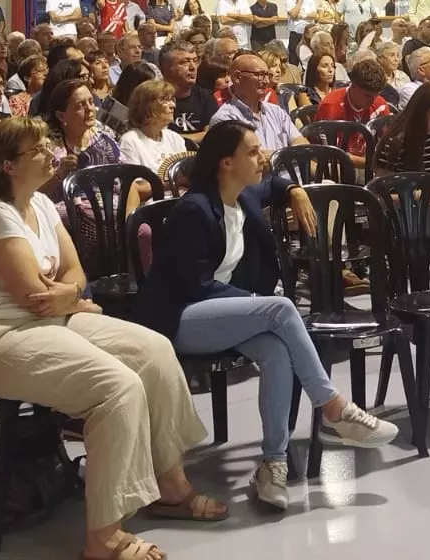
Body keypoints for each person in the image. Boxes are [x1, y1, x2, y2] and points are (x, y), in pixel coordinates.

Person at [0, 118, 223, 557]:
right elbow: (31, 295)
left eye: (47, 143)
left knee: (153, 350)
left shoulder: (42, 204)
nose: (50, 153)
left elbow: (75, 273)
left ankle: (170, 486)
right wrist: (72, 299)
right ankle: (103, 536)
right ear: (8, 165)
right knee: (117, 388)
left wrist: (70, 296)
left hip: (52, 318)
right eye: (38, 148)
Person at [132, 121, 395, 511]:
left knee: (275, 349)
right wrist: (254, 302)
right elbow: (195, 287)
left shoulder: (243, 195)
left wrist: (294, 191)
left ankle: (273, 462)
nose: (263, 158)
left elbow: (273, 183)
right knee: (280, 308)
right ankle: (333, 407)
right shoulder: (194, 210)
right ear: (226, 162)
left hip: (218, 312)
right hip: (177, 318)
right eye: (253, 152)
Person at [210, 53, 305, 154]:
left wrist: (278, 155)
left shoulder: (276, 112)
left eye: (267, 75)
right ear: (238, 77)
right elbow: (248, 159)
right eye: (260, 75)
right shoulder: (226, 119)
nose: (266, 81)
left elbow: (301, 143)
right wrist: (284, 155)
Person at [47, 77, 122, 185]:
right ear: (61, 116)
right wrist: (59, 173)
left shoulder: (104, 134)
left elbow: (124, 174)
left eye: (91, 102)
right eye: (80, 106)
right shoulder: (48, 147)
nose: (89, 108)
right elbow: (34, 190)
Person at [115, 80, 188, 170]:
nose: (173, 105)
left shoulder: (175, 138)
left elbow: (184, 173)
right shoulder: (130, 141)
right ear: (146, 106)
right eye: (164, 100)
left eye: (172, 99)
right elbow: (134, 178)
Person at [160, 41, 217, 141]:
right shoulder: (154, 99)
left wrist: (174, 140)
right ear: (166, 68)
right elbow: (158, 137)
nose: (193, 67)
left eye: (195, 61)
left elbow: (212, 134)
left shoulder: (206, 96)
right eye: (185, 62)